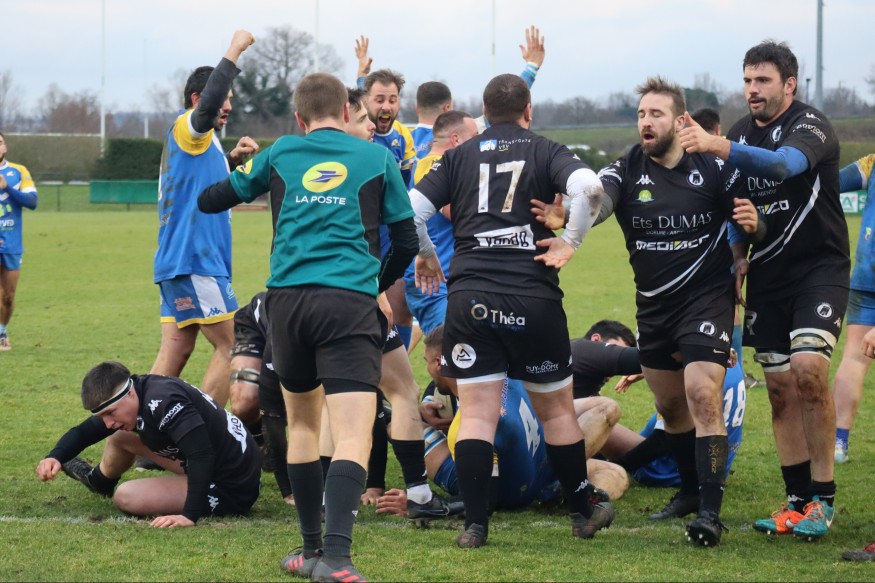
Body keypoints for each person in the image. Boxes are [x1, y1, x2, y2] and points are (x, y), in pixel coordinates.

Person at [198, 72, 418, 583]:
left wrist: (227, 161)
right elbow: (407, 240)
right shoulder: (376, 157)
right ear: (346, 111)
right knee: (353, 432)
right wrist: (375, 283)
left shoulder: (280, 152)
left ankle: (309, 550)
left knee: (301, 425)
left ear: (298, 118)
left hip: (286, 304)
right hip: (347, 304)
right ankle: (336, 558)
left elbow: (212, 199)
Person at [410, 73, 608, 548]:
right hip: (532, 297)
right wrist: (571, 242)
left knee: (478, 414)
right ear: (528, 111)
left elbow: (411, 208)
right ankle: (581, 513)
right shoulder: (545, 149)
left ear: (483, 112)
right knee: (557, 413)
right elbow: (590, 188)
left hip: (471, 299)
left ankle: (476, 526)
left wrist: (427, 254)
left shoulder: (457, 155)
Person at [679, 40, 849, 541]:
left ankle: (823, 500)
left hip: (819, 269)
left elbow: (780, 166)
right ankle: (796, 502)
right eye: (748, 80)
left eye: (763, 80)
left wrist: (715, 145)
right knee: (778, 390)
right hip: (768, 277)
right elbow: (737, 205)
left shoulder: (810, 125)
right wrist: (738, 252)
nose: (752, 89)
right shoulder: (738, 133)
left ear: (788, 84)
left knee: (809, 371)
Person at [583, 76, 760, 547]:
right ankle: (688, 492)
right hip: (654, 307)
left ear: (680, 121)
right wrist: (575, 215)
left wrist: (749, 239)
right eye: (641, 114)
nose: (646, 121)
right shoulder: (627, 167)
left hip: (706, 299)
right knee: (670, 407)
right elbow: (601, 201)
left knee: (702, 394)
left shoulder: (713, 167)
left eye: (656, 114)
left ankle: (710, 513)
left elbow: (748, 219)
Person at [151, 30, 259, 407]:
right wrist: (235, 49)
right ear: (198, 100)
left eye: (230, 99)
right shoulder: (189, 127)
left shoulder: (205, 141)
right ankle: (199, 428)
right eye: (223, 98)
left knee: (174, 355)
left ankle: (142, 429)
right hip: (196, 261)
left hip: (176, 262)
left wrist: (232, 160)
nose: (227, 105)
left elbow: (195, 184)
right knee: (234, 345)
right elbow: (210, 101)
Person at [35, 361, 260, 527]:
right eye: (102, 415)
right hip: (219, 462)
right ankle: (99, 481)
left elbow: (202, 455)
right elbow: (84, 432)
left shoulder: (166, 402)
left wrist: (188, 516)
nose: (108, 421)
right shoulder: (139, 391)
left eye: (110, 412)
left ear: (129, 394)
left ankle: (202, 498)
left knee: (126, 496)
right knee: (120, 435)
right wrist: (55, 456)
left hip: (231, 485)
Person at [406, 25, 546, 158]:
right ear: (447, 109)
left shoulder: (404, 140)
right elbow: (507, 99)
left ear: (416, 109)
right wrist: (532, 67)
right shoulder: (464, 133)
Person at [403, 111, 480, 339]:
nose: (480, 144)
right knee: (451, 347)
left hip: (446, 279)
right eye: (475, 137)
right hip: (436, 280)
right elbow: (456, 212)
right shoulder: (434, 166)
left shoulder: (432, 164)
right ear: (456, 139)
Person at [832, 153, 875, 463]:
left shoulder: (872, 163)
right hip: (864, 279)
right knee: (854, 358)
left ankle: (837, 443)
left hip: (865, 275)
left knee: (854, 359)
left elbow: (829, 182)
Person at [0, 131, 38, 350]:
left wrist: (7, 187)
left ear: (5, 147)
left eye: (0, 143)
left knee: (8, 296)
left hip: (12, 243)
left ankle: (2, 331)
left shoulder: (19, 171)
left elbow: (32, 202)